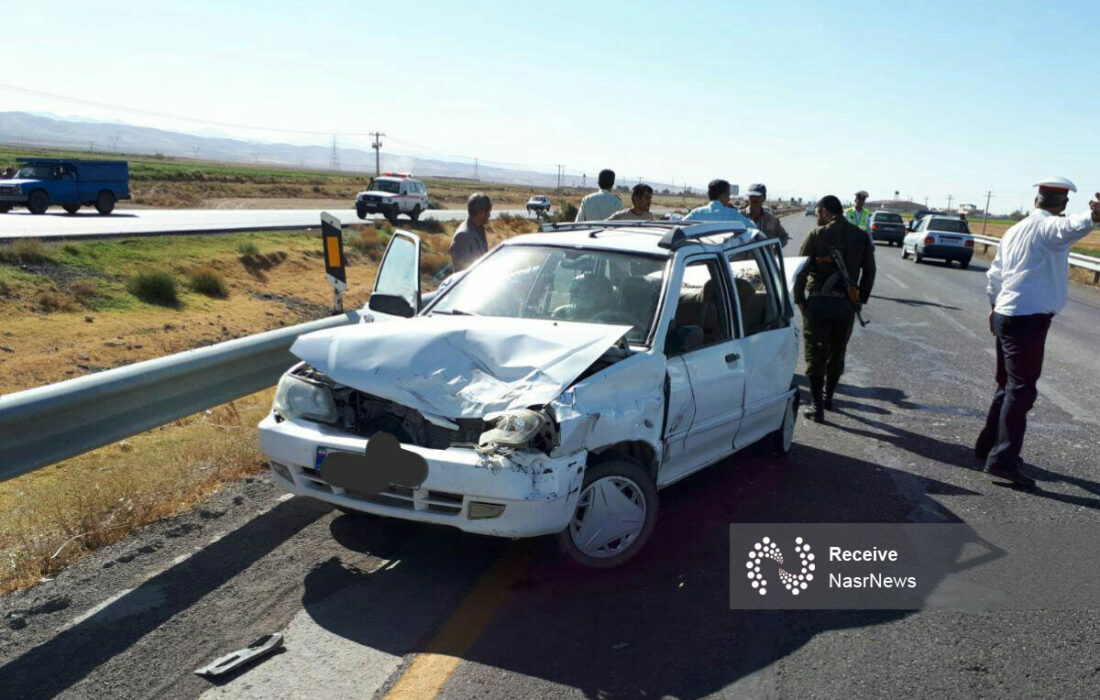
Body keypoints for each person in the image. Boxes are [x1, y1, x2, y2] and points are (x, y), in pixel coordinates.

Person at [975, 178, 1100, 488]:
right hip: (1027, 318)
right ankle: (1002, 461)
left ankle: (987, 447)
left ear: (1035, 201)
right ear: (1063, 205)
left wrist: (994, 306)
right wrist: (1094, 217)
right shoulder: (1049, 229)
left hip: (1006, 312)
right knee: (1021, 390)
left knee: (1008, 386)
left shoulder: (1014, 230)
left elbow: (995, 273)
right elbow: (1070, 228)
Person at [793, 195, 876, 422]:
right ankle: (829, 397)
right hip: (846, 305)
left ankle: (817, 406)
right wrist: (860, 299)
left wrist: (799, 299)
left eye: (819, 213)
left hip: (819, 303)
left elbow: (800, 270)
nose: (817, 217)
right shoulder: (860, 236)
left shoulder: (817, 235)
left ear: (827, 212)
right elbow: (870, 270)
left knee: (815, 355)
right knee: (837, 352)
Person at [685, 179, 755, 227]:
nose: (729, 199)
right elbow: (752, 227)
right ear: (722, 195)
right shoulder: (732, 214)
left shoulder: (697, 213)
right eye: (728, 195)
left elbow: (679, 227)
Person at [450, 192, 492, 272]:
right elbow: (462, 271)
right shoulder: (462, 236)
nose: (489, 215)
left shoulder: (480, 229)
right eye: (488, 212)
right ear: (481, 212)